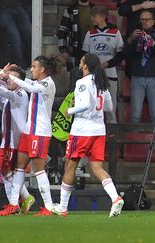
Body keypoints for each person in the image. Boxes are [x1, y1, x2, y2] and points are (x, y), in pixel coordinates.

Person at [52, 53, 124, 217]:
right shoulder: (102, 83)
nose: (79, 61)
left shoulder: (82, 82)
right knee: (97, 168)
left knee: (70, 166)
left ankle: (62, 208)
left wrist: (70, 110)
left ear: (85, 65)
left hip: (82, 131)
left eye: (81, 60)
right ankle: (115, 197)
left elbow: (84, 104)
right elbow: (109, 107)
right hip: (99, 131)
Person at [0, 56, 57, 216]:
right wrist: (4, 75)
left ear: (42, 69)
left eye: (34, 67)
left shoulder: (48, 83)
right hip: (28, 131)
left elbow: (30, 88)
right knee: (19, 168)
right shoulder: (36, 82)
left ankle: (49, 207)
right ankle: (14, 204)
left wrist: (9, 76)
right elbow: (28, 84)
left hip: (40, 132)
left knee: (39, 170)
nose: (31, 69)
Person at [0, 65, 35, 216]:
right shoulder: (12, 91)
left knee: (6, 169)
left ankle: (20, 200)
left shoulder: (21, 94)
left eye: (12, 78)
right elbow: (2, 88)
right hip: (8, 138)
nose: (9, 80)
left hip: (14, 140)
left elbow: (3, 91)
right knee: (7, 170)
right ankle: (19, 201)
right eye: (8, 77)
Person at [82, 5, 124, 123]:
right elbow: (85, 55)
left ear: (102, 17)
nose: (92, 19)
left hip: (110, 76)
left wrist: (107, 64)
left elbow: (120, 55)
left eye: (94, 16)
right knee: (93, 109)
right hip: (93, 77)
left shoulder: (115, 33)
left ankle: (112, 138)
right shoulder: (90, 33)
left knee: (111, 110)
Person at [125, 9, 155, 123]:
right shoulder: (135, 34)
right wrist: (131, 39)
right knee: (135, 115)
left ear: (153, 21)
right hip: (137, 77)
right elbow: (124, 53)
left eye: (147, 19)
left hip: (153, 77)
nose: (145, 22)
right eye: (142, 19)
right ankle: (132, 140)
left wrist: (153, 44)